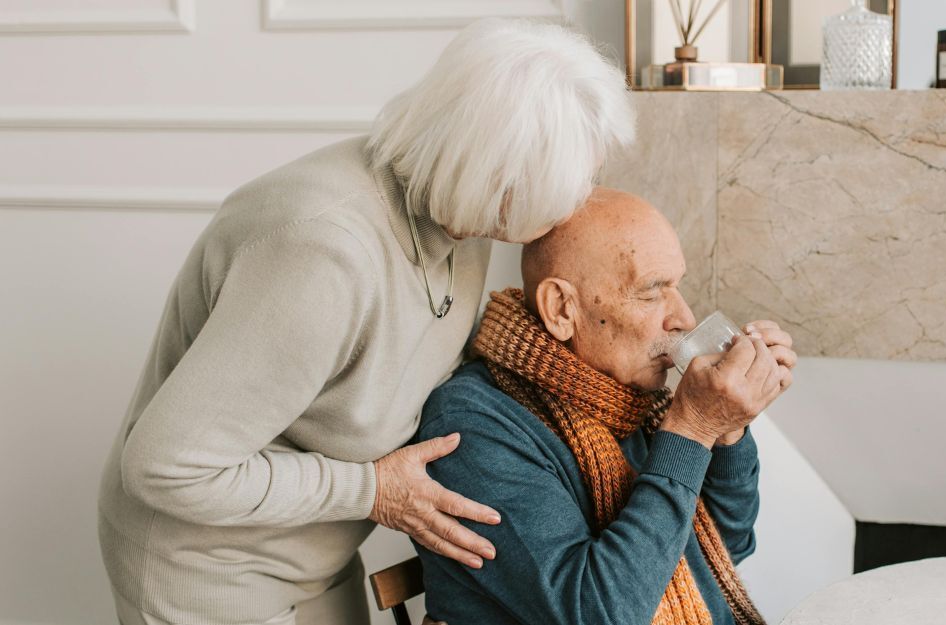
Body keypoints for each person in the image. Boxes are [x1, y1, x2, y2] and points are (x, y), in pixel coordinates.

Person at [96, 19, 634, 625]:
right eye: (573, 178)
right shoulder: (321, 255)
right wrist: (373, 491)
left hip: (316, 548)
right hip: (210, 569)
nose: (582, 197)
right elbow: (165, 468)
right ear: (499, 175)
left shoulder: (464, 216)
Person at [414, 188, 798, 624]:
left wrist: (728, 430)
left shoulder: (625, 399)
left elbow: (723, 549)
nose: (685, 318)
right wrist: (691, 429)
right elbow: (599, 613)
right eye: (653, 293)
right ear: (561, 310)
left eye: (677, 286)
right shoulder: (471, 428)